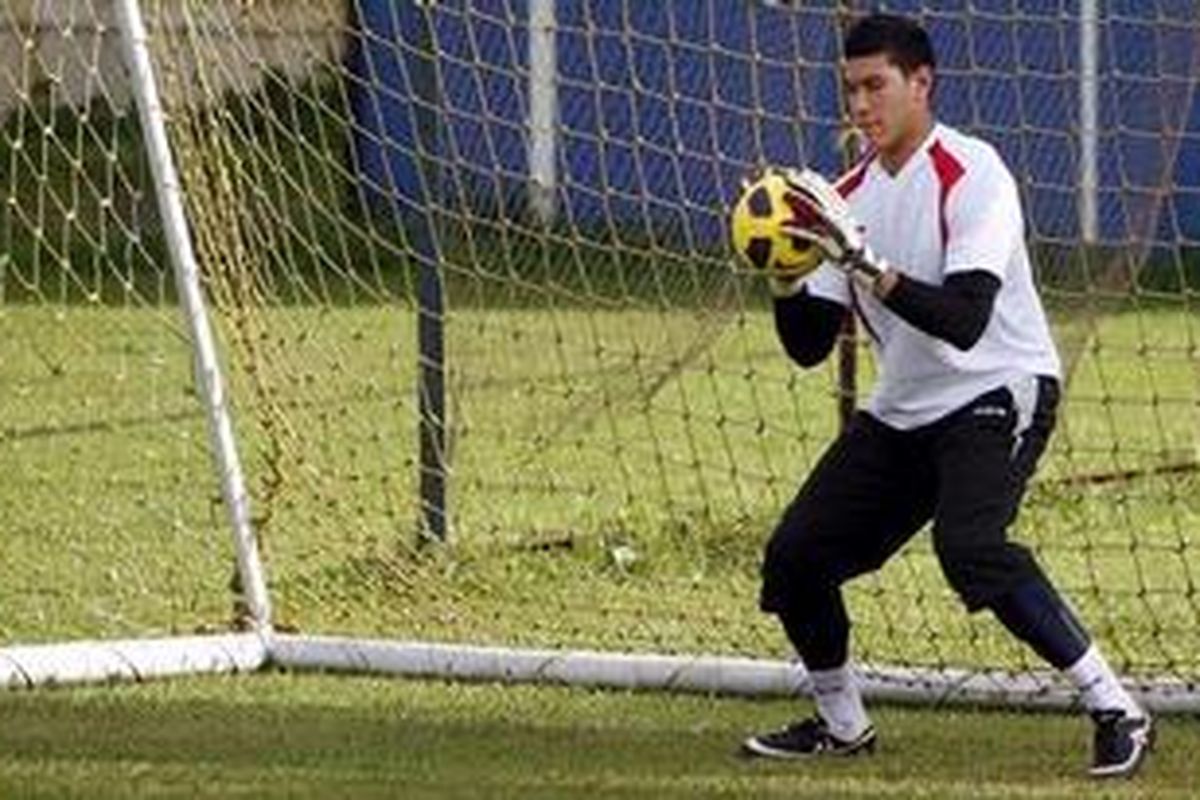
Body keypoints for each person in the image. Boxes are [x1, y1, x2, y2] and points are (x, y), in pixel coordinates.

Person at [739, 13, 1153, 778]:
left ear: (921, 84)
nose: (861, 106)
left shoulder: (974, 172)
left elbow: (964, 322)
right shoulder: (844, 196)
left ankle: (1116, 707)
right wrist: (786, 265)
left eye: (877, 86)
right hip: (907, 408)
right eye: (851, 89)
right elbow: (805, 347)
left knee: (970, 548)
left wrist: (865, 262)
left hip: (1001, 385)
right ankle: (842, 725)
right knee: (795, 557)